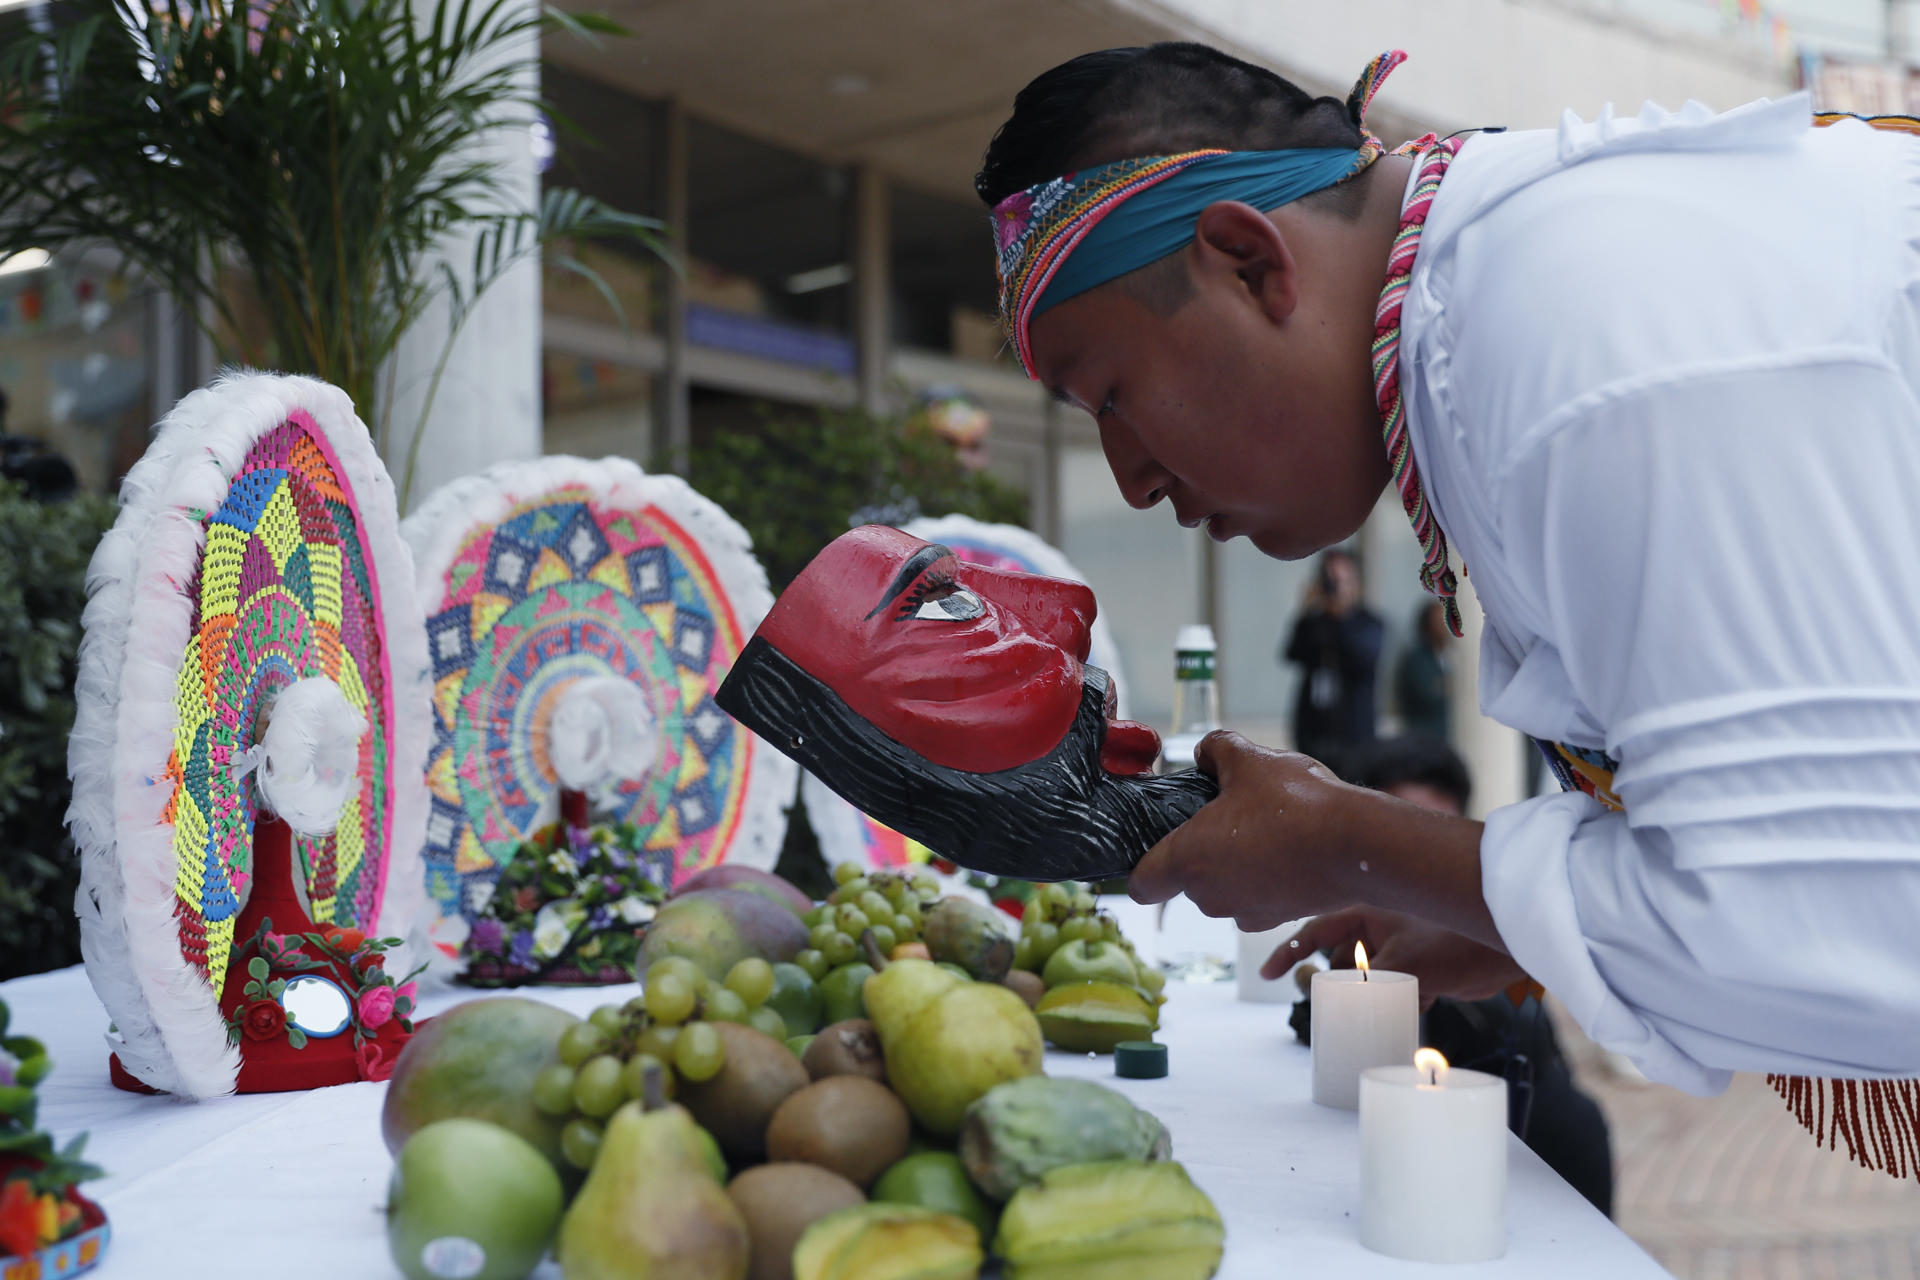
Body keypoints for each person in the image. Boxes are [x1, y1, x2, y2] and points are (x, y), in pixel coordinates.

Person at [976, 42, 1920, 1170]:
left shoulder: (1583, 325)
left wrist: (1351, 842)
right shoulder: (1512, 295)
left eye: (1113, 396)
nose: (1130, 477)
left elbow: (1834, 931)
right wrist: (1495, 913)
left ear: (1246, 260)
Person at [1336, 735, 1613, 1216]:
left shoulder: (1500, 1007)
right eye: (1396, 847)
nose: (1413, 875)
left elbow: (1569, 1140)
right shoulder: (1334, 953)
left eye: (1429, 845)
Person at [1281, 547, 1382, 762]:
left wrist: (1341, 615)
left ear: (1355, 582)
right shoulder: (1314, 622)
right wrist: (1307, 611)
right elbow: (1291, 653)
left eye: (1340, 580)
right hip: (1312, 732)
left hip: (1354, 734)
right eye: (1329, 579)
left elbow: (1363, 657)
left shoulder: (1369, 623)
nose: (1334, 588)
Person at [1393, 600, 1451, 741]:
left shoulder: (1450, 657)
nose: (1445, 626)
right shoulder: (1415, 660)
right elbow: (1429, 693)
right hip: (1423, 739)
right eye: (1438, 621)